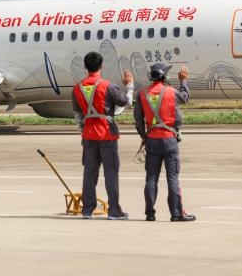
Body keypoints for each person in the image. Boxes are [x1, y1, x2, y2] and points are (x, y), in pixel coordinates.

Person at [72, 50, 134, 219]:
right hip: (107, 134)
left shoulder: (77, 88)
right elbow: (126, 102)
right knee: (111, 173)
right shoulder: (108, 86)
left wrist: (83, 132)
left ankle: (87, 210)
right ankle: (114, 210)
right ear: (101, 66)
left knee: (89, 174)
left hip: (88, 135)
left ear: (85, 67)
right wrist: (129, 85)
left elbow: (78, 115)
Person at [134, 62, 195, 222]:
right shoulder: (171, 92)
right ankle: (176, 213)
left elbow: (138, 120)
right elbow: (185, 98)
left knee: (151, 178)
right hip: (169, 140)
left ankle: (150, 213)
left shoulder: (141, 94)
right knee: (172, 177)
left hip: (152, 140)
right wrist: (183, 81)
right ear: (164, 76)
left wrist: (143, 137)